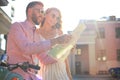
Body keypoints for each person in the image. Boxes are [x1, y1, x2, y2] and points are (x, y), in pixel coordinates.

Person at [6, 1, 72, 80]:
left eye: (42, 11)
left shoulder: (36, 34)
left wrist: (66, 49)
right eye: (39, 11)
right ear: (30, 11)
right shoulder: (17, 26)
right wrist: (56, 41)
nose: (41, 14)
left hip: (31, 75)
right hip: (16, 74)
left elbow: (44, 59)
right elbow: (26, 48)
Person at [36, 8, 72, 80]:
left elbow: (64, 57)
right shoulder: (36, 33)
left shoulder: (59, 33)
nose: (55, 19)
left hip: (60, 69)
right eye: (53, 16)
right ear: (45, 14)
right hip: (44, 71)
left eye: (57, 18)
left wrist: (69, 75)